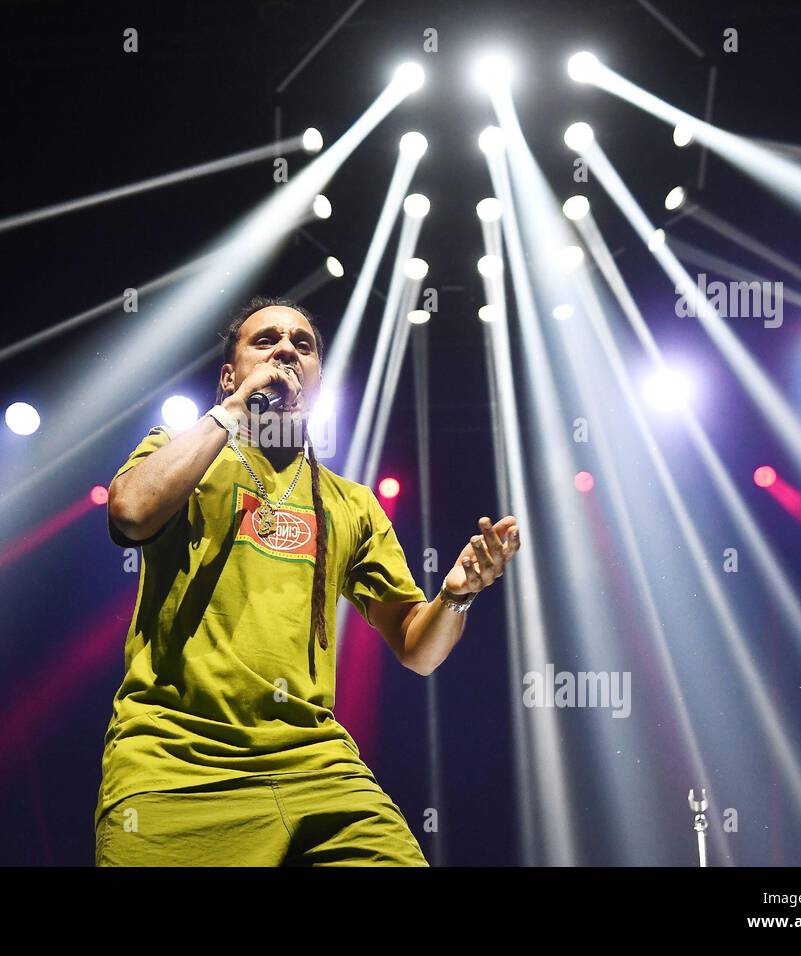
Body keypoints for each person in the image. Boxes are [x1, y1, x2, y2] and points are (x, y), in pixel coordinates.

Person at [95, 295, 521, 866]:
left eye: (303, 344)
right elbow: (130, 511)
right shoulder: (180, 455)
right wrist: (233, 414)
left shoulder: (351, 503)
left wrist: (457, 596)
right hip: (178, 764)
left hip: (317, 765)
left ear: (318, 380)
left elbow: (418, 650)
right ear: (229, 376)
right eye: (265, 340)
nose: (287, 351)